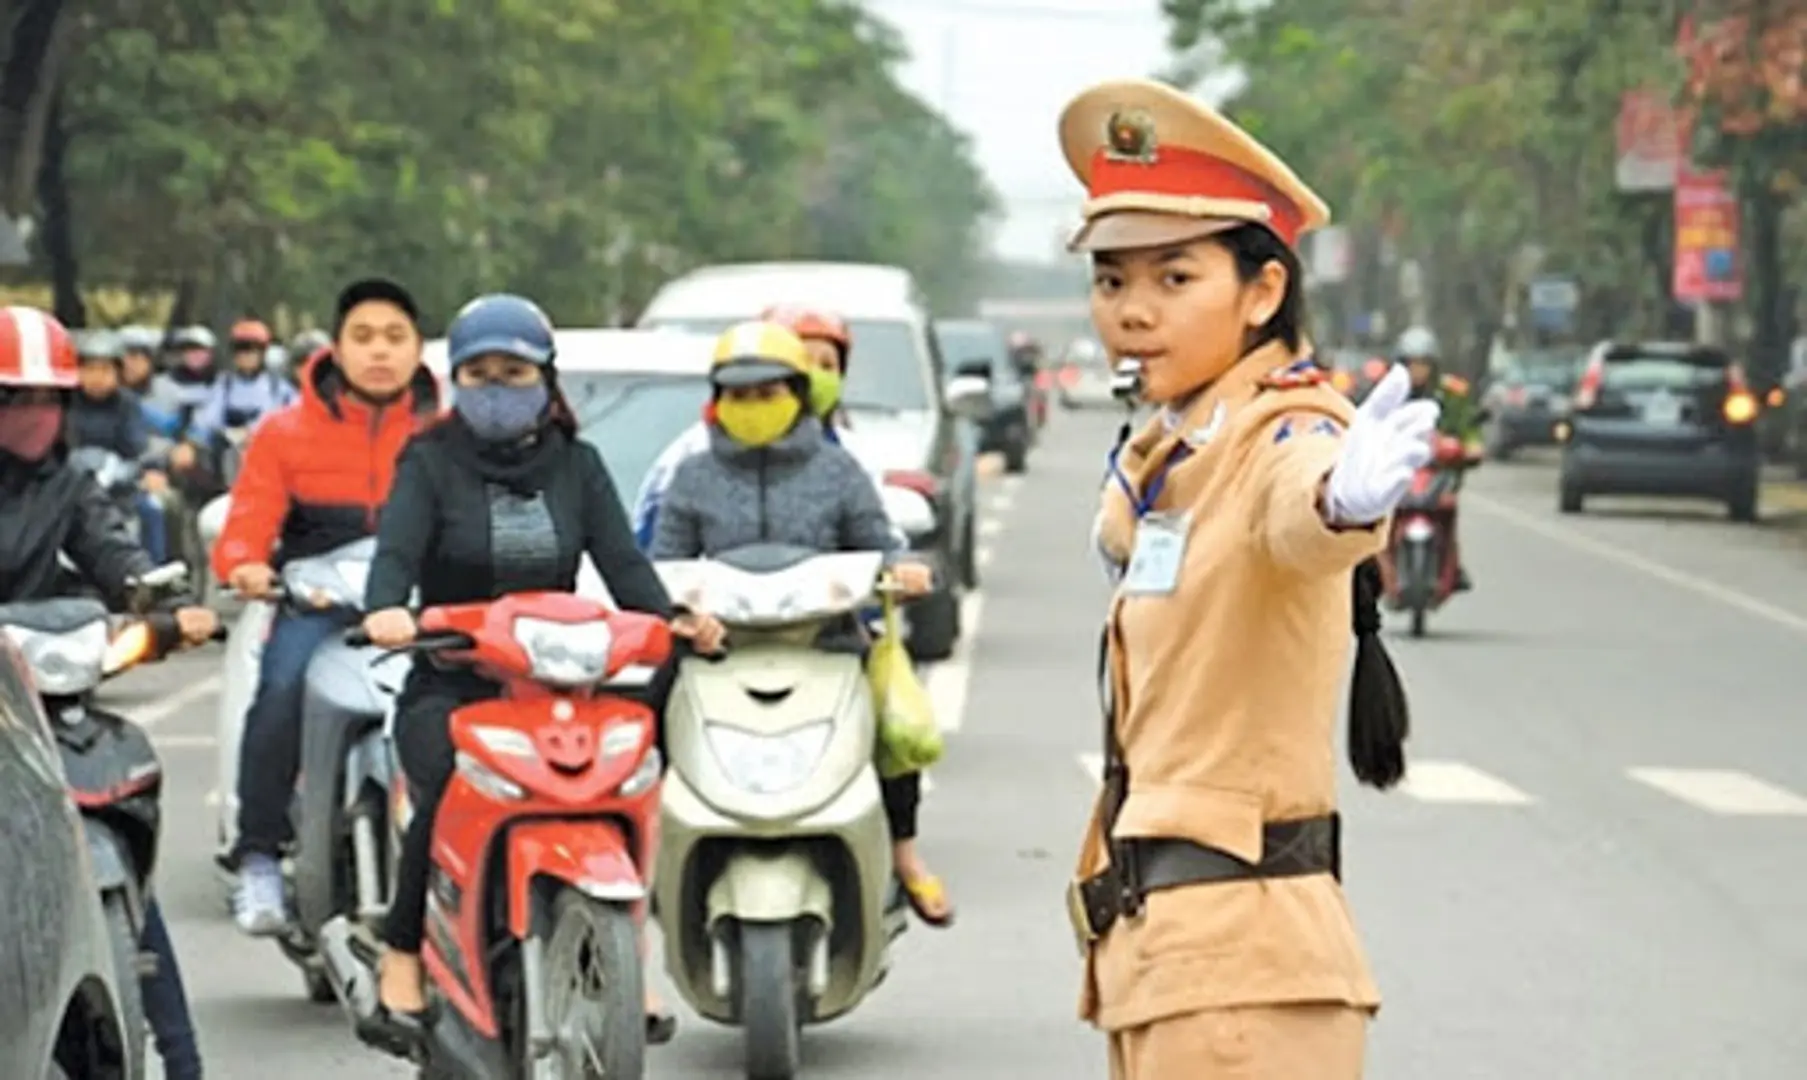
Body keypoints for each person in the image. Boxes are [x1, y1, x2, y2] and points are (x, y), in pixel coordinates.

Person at [1056, 79, 1439, 1078]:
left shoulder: (1289, 429)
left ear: (1261, 292)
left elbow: (1297, 509)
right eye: (1111, 282)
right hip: (1168, 955)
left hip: (1243, 974)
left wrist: (1345, 504)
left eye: (1174, 279)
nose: (1133, 312)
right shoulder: (1173, 445)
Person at [358, 293, 725, 1041]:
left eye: (514, 372)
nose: (497, 388)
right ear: (456, 381)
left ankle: (633, 950)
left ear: (546, 379)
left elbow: (623, 564)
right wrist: (387, 607)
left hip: (560, 684)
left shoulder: (578, 465)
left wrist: (670, 624)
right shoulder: (428, 461)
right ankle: (404, 951)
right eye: (480, 373)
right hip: (455, 678)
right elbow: (395, 553)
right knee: (436, 792)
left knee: (636, 775)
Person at [649, 319, 955, 926]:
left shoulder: (838, 472)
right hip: (718, 648)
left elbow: (879, 542)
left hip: (827, 641)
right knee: (644, 717)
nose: (753, 407)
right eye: (738, 395)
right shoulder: (691, 475)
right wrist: (681, 616)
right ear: (717, 401)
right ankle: (654, 857)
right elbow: (666, 562)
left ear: (799, 394)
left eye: (768, 393)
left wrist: (904, 571)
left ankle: (904, 855)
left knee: (893, 729)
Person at [0, 304, 218, 1080]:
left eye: (44, 400)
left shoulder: (69, 484)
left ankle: (184, 1061)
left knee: (115, 829)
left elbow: (115, 552)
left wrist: (157, 602)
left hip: (45, 711)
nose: (30, 416)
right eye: (11, 399)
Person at [212, 278, 441, 935]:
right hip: (316, 605)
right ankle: (257, 855)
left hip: (416, 614)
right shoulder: (283, 434)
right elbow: (246, 524)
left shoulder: (445, 435)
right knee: (278, 689)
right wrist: (246, 565)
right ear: (334, 349)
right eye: (363, 337)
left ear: (417, 350)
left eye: (395, 338)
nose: (379, 352)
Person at [632, 303, 876, 548]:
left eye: (826, 365)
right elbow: (657, 557)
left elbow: (880, 551)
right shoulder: (689, 457)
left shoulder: (852, 461)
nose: (816, 376)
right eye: (803, 360)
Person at [65, 329, 172, 561]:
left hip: (120, 489)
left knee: (152, 510)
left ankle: (155, 573)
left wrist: (142, 470)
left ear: (118, 373)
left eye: (105, 370)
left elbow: (138, 451)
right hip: (69, 485)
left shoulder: (127, 404)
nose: (97, 378)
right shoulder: (65, 402)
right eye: (90, 369)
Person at [1396, 325, 1481, 589]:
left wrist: (1471, 447)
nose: (1418, 370)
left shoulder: (1452, 393)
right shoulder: (1390, 392)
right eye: (1412, 364)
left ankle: (1452, 564)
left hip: (1440, 470)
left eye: (1423, 364)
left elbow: (1468, 429)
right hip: (1399, 469)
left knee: (1448, 510)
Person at [188, 319, 297, 450]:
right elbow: (206, 420)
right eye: (240, 348)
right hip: (228, 456)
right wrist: (192, 442)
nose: (245, 355)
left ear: (263, 353)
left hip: (269, 455)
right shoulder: (224, 385)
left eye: (251, 349)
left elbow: (295, 420)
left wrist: (252, 432)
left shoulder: (279, 388)